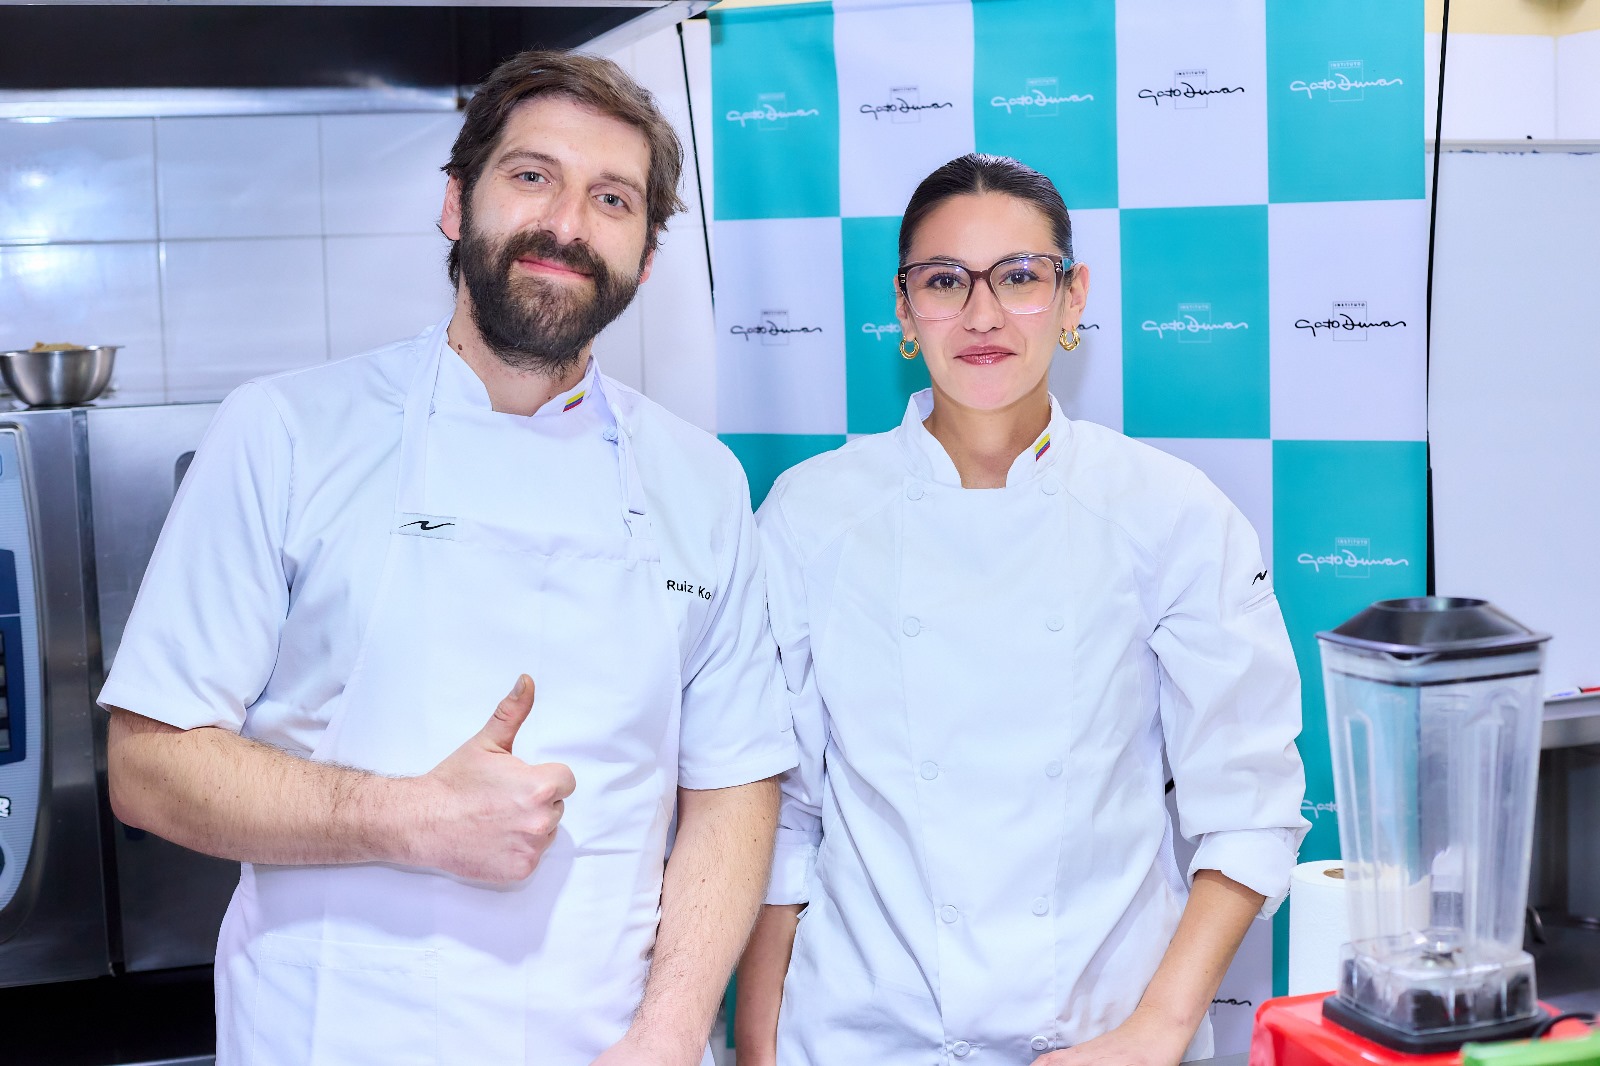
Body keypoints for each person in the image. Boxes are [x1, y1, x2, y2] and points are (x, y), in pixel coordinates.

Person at [103, 49, 796, 1066]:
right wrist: (414, 818)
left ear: (646, 256)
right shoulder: (287, 431)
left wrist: (673, 1026)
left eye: (611, 198)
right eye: (532, 176)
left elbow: (733, 784)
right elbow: (148, 766)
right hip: (332, 1038)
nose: (566, 224)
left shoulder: (702, 481)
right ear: (455, 203)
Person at [734, 154, 1309, 1066]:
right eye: (944, 281)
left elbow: (1248, 807)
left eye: (1020, 276)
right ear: (904, 309)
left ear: (1073, 298)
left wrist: (1155, 1034)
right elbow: (782, 823)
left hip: (1102, 1036)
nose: (983, 314)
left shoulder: (1169, 512)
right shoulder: (811, 517)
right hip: (859, 1036)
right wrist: (757, 1051)